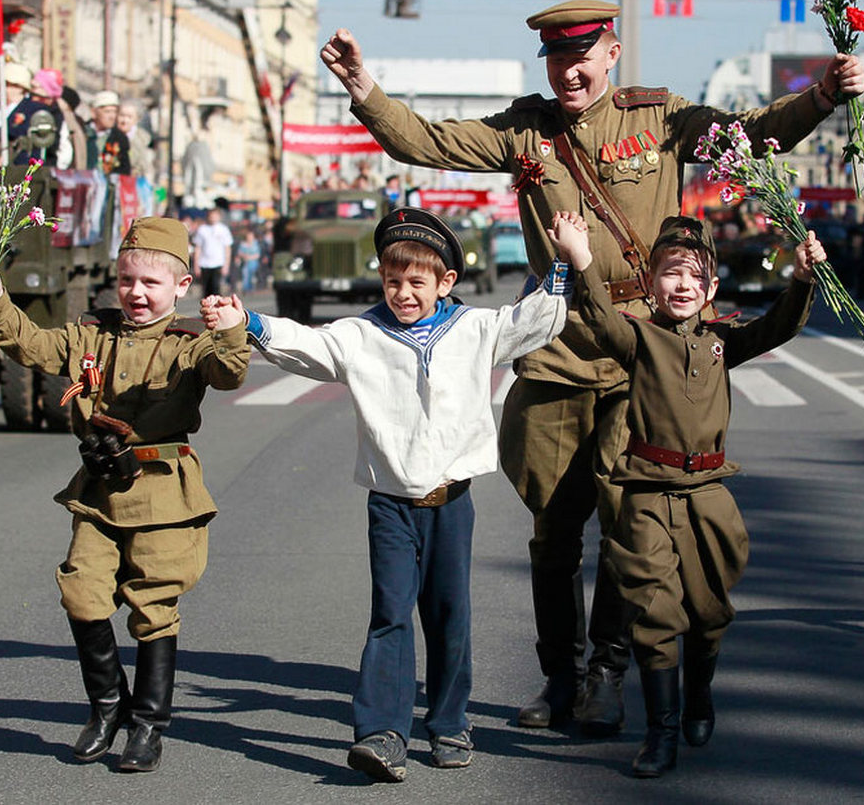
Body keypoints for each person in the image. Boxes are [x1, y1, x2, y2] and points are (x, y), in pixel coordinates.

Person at [320, 0, 864, 736]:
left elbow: (750, 138)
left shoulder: (659, 117)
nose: (568, 71)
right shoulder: (526, 131)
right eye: (554, 58)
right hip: (555, 355)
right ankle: (560, 676)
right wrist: (365, 90)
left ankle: (606, 676)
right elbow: (428, 141)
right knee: (553, 529)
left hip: (637, 355)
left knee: (626, 524)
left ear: (612, 53)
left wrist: (824, 95)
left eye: (582, 56)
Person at [201, 208, 586, 783]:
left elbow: (533, 321)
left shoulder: (474, 329)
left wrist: (564, 262)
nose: (403, 293)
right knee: (390, 613)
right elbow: (305, 344)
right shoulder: (361, 335)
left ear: (445, 283)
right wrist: (248, 319)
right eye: (391, 281)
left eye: (416, 283)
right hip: (389, 503)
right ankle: (383, 731)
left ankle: (450, 722)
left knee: (449, 614)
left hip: (451, 502)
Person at [0, 217, 250, 772]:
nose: (136, 293)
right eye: (127, 281)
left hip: (163, 493)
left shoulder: (188, 343)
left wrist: (231, 330)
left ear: (181, 287)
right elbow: (34, 347)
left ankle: (147, 726)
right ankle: (105, 708)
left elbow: (227, 373)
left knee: (153, 604)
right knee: (82, 593)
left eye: (150, 283)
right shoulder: (92, 335)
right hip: (100, 490)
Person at [562, 212, 824, 777]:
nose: (681, 285)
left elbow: (776, 326)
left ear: (711, 290)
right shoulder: (639, 336)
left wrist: (802, 279)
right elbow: (603, 321)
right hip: (647, 493)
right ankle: (661, 736)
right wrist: (581, 258)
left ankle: (699, 694)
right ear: (651, 281)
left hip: (708, 494)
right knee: (654, 613)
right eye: (669, 273)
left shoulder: (723, 340)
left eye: (694, 276)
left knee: (709, 614)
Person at [192, 205, 233, 298]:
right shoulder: (202, 229)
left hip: (218, 263)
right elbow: (198, 248)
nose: (213, 217)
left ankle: (216, 310)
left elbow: (227, 248)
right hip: (204, 263)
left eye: (215, 215)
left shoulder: (223, 229)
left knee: (215, 288)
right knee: (206, 290)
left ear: (219, 216)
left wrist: (226, 265)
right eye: (211, 215)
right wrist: (196, 265)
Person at [88, 90, 131, 175]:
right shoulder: (83, 132)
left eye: (114, 112)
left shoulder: (120, 138)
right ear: (94, 112)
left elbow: (124, 171)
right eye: (107, 112)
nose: (112, 116)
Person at [118, 101, 155, 180]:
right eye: (122, 115)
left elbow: (144, 168)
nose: (125, 121)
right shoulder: (110, 136)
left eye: (129, 117)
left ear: (137, 119)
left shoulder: (143, 139)